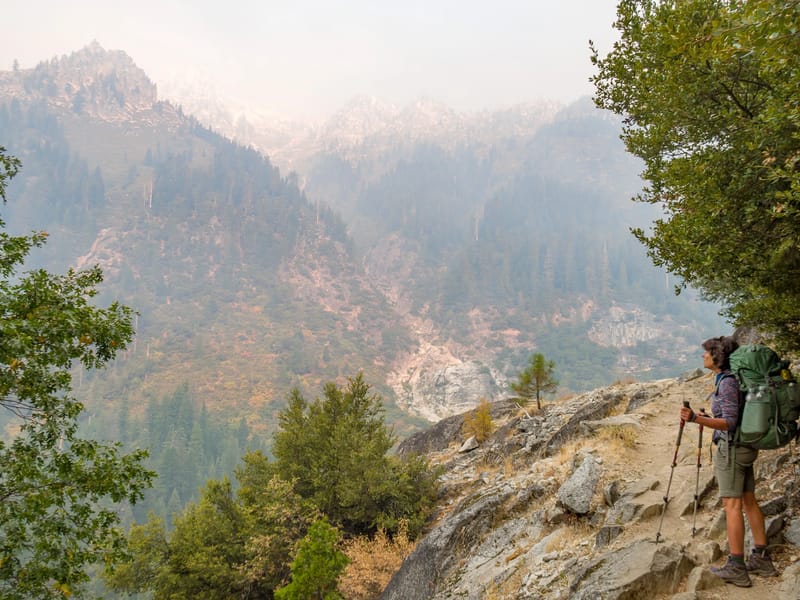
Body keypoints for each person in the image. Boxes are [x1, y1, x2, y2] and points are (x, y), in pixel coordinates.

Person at [679, 335, 777, 587]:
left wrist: (695, 419)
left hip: (732, 450)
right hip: (743, 447)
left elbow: (729, 422)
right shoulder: (732, 380)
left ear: (717, 357)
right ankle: (762, 558)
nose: (703, 355)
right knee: (748, 500)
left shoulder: (727, 382)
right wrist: (707, 416)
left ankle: (737, 566)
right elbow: (731, 414)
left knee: (731, 506)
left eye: (707, 352)